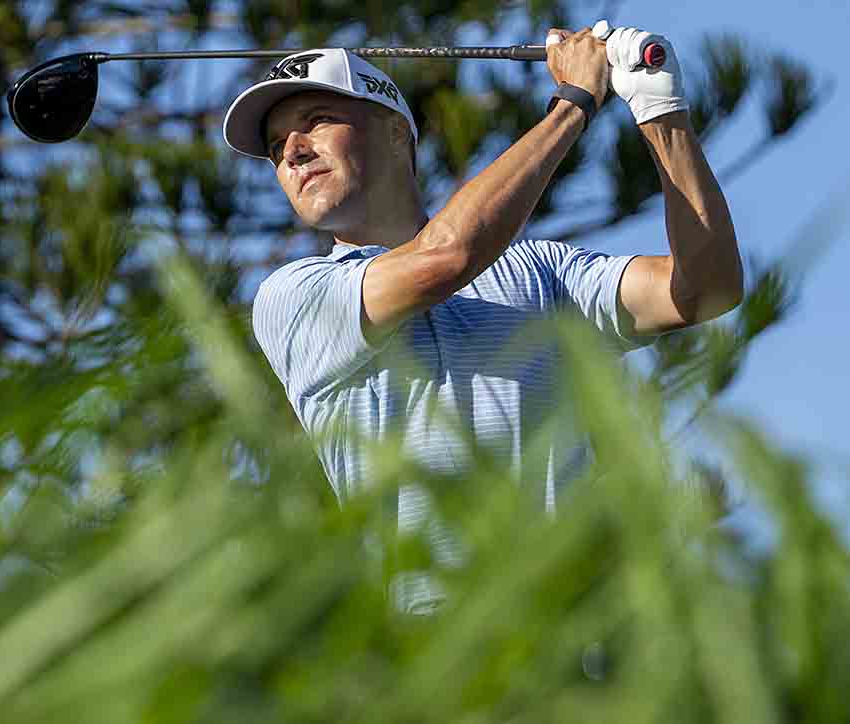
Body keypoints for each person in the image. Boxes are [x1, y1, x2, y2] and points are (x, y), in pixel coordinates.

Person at [221, 23, 742, 614]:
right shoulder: (292, 297)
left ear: (395, 131)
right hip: (429, 646)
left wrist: (660, 112)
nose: (292, 152)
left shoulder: (542, 270)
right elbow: (446, 256)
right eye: (275, 147)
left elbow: (707, 289)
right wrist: (573, 105)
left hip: (571, 643)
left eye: (316, 120)